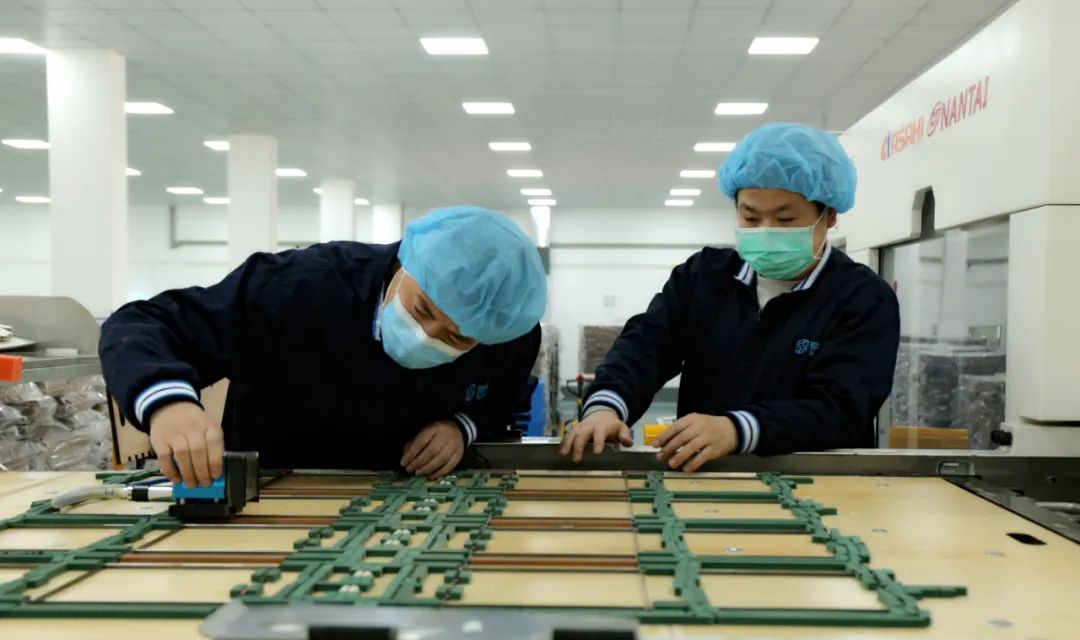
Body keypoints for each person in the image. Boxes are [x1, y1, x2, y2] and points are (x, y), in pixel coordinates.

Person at [101, 206, 547, 486]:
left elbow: (502, 400)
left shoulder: (505, 332)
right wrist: (169, 406)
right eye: (422, 308)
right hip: (270, 492)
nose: (425, 335)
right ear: (404, 264)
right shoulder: (300, 287)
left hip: (408, 499)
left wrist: (461, 427)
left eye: (454, 337)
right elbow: (145, 323)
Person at [561, 122, 900, 471]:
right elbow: (646, 345)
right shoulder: (704, 277)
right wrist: (606, 406)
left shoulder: (862, 298)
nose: (765, 231)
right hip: (706, 477)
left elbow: (842, 407)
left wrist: (738, 429)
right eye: (750, 218)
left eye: (785, 220)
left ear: (828, 216)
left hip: (823, 482)